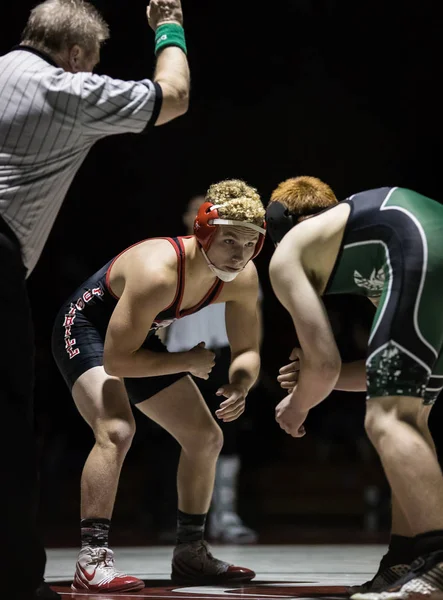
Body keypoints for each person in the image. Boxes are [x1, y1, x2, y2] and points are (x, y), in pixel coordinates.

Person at [0, 0, 189, 597]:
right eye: (92, 64)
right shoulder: (64, 89)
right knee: (5, 426)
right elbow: (173, 95)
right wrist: (169, 25)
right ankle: (11, 580)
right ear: (76, 55)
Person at [51, 179, 264, 593]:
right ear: (205, 233)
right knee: (116, 429)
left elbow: (249, 349)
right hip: (87, 329)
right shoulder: (158, 271)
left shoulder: (243, 276)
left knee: (205, 438)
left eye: (250, 243)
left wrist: (241, 382)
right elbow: (116, 361)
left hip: (139, 337)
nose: (240, 255)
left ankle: (190, 554)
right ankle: (92, 558)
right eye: (230, 241)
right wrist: (184, 360)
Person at [266, 176, 443, 600]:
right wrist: (311, 381)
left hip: (414, 238)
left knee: (388, 419)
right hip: (424, 235)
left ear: (278, 226)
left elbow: (323, 365)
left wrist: (296, 405)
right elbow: (374, 372)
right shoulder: (363, 243)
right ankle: (406, 557)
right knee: (411, 413)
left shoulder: (286, 254)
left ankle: (438, 560)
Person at [163, 194, 259, 543]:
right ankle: (177, 520)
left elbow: (250, 329)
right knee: (174, 438)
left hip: (219, 356)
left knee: (226, 437)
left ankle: (226, 517)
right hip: (173, 357)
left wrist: (242, 373)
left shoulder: (241, 264)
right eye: (195, 210)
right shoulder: (169, 261)